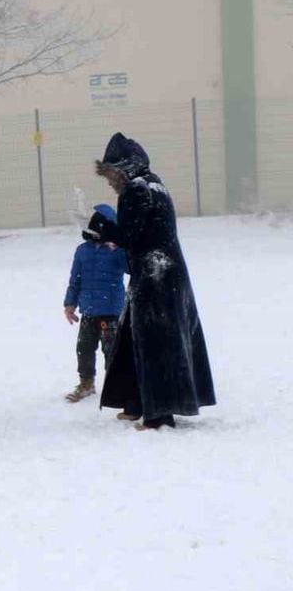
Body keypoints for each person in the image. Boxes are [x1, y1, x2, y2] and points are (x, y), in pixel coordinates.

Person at [89, 132, 216, 429]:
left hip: (154, 276)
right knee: (137, 337)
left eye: (111, 173)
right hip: (166, 273)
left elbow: (130, 237)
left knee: (155, 342)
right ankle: (135, 402)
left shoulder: (136, 189)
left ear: (125, 168)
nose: (109, 181)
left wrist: (101, 228)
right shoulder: (155, 185)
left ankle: (158, 413)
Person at [62, 205, 127, 402]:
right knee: (84, 348)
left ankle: (115, 385)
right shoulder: (82, 251)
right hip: (88, 310)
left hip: (111, 311)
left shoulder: (116, 250)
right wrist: (70, 304)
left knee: (111, 349)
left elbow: (130, 267)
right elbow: (75, 279)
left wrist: (119, 248)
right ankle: (86, 383)